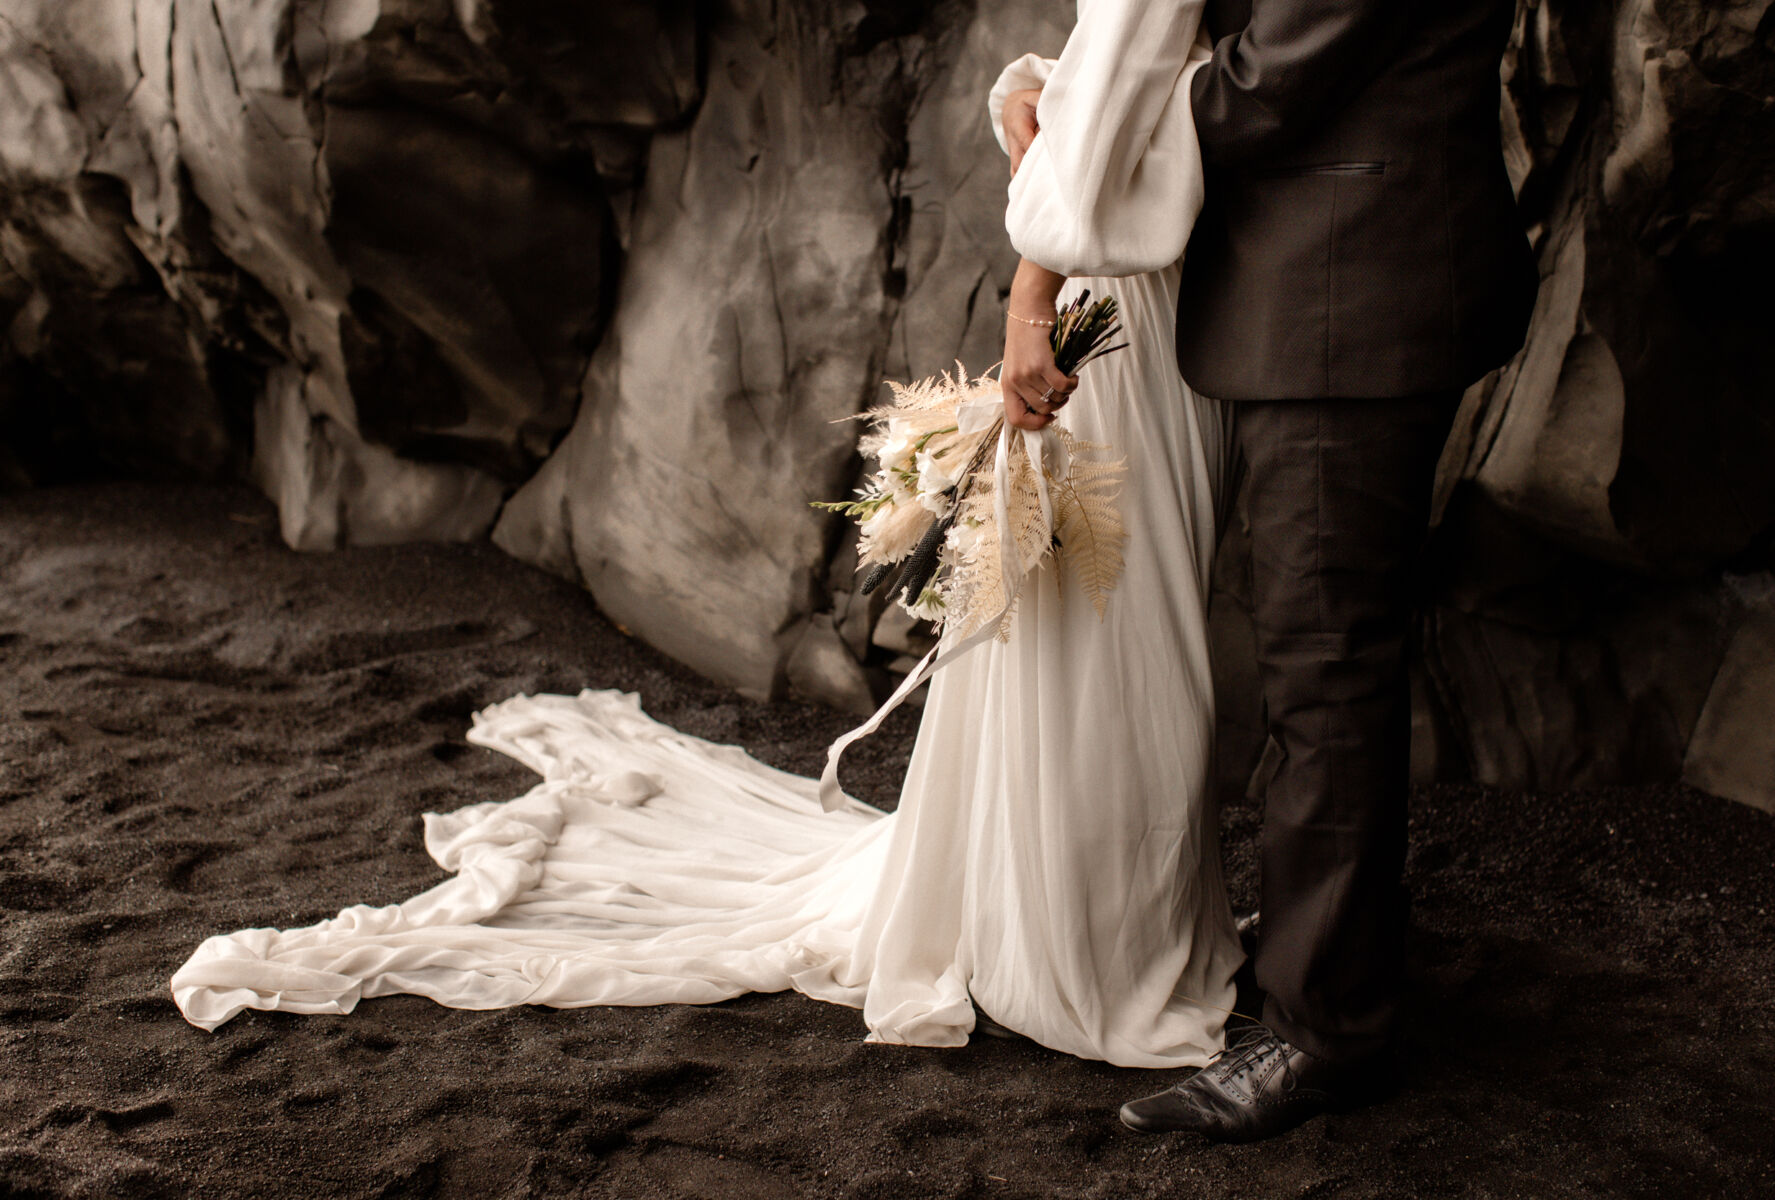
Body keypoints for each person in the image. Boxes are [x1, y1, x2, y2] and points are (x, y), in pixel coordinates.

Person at [172, 0, 1244, 1071]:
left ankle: (1081, 918)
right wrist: (1034, 223)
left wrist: (1034, 236)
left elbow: (1122, 86)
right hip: (1131, 303)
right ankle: (1088, 941)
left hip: (1133, 301)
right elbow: (1120, 78)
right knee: (1099, 624)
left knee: (1103, 621)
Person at [1064, 0, 1535, 1141]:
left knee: (1326, 668)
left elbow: (1266, 82)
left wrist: (1095, 130)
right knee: (1324, 656)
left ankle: (1323, 1033)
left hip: (1348, 293)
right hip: (1333, 278)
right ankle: (1332, 964)